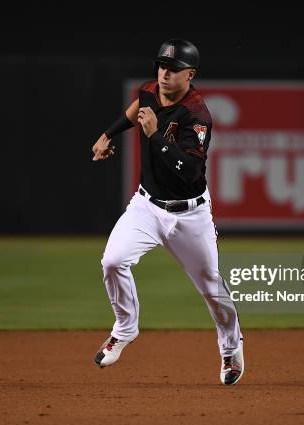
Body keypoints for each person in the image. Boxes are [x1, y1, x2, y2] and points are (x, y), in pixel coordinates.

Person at [91, 39, 244, 385]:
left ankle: (231, 348)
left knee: (211, 286)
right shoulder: (150, 90)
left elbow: (189, 172)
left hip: (190, 215)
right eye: (162, 66)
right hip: (146, 205)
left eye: (174, 70)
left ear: (190, 75)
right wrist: (108, 134)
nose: (164, 74)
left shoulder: (197, 114)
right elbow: (137, 109)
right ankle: (125, 328)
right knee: (113, 261)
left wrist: (155, 136)